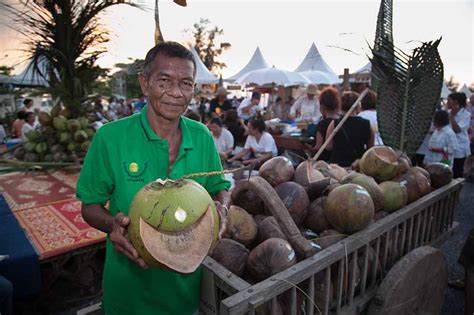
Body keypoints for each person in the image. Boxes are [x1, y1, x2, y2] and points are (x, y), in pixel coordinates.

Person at [76, 41, 230, 315]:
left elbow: (220, 187)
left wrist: (223, 208)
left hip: (184, 296)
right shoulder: (110, 138)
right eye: (164, 81)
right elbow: (89, 206)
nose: (175, 93)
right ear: (145, 83)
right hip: (128, 296)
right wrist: (114, 225)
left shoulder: (202, 136)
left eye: (186, 83)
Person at [326, 91, 374, 167]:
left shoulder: (335, 123)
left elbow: (328, 146)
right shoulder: (366, 124)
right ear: (358, 105)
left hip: (337, 166)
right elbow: (370, 148)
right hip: (357, 166)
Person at [307, 87, 341, 161]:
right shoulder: (341, 121)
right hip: (338, 160)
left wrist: (308, 148)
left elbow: (318, 147)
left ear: (322, 107)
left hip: (324, 162)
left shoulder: (322, 124)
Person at [447, 92, 471, 178]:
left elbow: (457, 130)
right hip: (448, 147)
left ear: (455, 102)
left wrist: (452, 117)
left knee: (457, 172)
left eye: (449, 100)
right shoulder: (448, 112)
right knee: (448, 171)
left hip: (460, 148)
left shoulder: (466, 115)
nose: (447, 103)